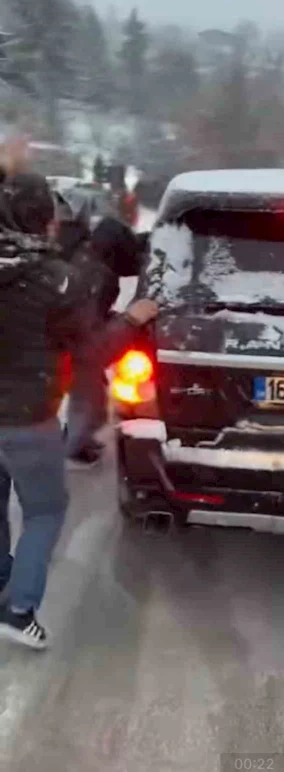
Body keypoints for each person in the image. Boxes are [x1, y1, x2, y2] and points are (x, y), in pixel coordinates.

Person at [0, 171, 157, 649]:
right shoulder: (56, 283)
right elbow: (91, 353)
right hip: (27, 419)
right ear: (42, 221)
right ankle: (18, 608)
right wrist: (131, 320)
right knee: (46, 510)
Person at [58, 212, 149, 467]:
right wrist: (130, 321)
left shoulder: (84, 260)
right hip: (59, 349)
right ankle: (73, 447)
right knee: (89, 388)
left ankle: (77, 440)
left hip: (52, 342)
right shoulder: (93, 278)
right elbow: (94, 349)